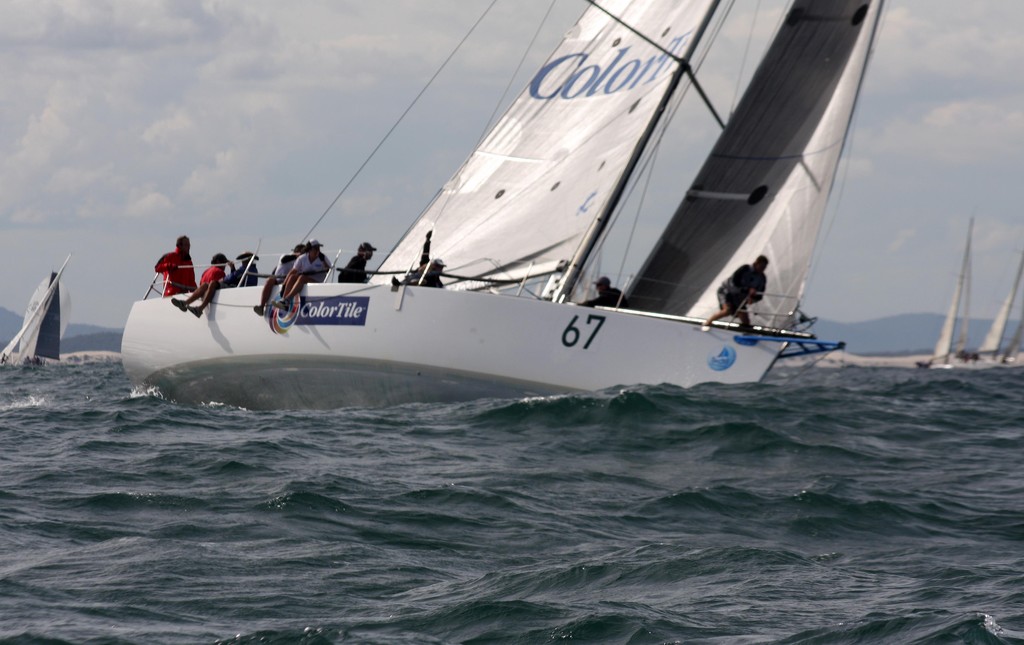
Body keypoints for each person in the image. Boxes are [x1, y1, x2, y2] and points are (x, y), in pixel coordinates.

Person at [703, 255, 769, 329]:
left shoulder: (762, 278)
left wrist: (752, 299)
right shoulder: (745, 269)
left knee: (745, 319)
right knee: (727, 310)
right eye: (761, 266)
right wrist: (747, 290)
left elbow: (759, 295)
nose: (762, 269)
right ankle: (708, 322)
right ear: (756, 263)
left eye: (764, 267)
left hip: (739, 297)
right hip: (727, 291)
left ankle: (746, 332)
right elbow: (734, 283)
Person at [273, 239, 332, 306]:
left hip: (318, 281)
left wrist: (324, 262)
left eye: (318, 248)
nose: (318, 251)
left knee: (302, 278)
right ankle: (283, 301)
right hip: (307, 279)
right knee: (292, 277)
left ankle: (288, 299)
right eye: (315, 248)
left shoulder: (323, 258)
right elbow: (293, 271)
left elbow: (330, 270)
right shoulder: (302, 258)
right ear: (309, 250)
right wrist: (284, 284)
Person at [171, 253, 231, 318]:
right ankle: (191, 305)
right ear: (218, 262)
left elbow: (201, 284)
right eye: (224, 263)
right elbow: (219, 285)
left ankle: (185, 303)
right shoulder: (220, 272)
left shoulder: (206, 271)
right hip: (209, 298)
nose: (225, 266)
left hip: (202, 296)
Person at [254, 244, 305, 316]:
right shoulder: (286, 256)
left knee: (292, 279)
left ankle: (285, 302)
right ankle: (261, 306)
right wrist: (297, 255)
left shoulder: (302, 261)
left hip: (290, 280)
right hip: (279, 280)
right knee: (269, 280)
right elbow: (284, 259)